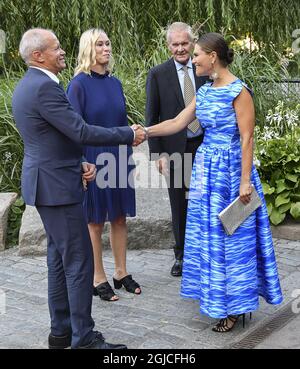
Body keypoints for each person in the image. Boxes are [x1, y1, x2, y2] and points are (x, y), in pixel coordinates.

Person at [12, 28, 145, 349]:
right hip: (58, 188)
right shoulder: (45, 88)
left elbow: (52, 139)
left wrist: (77, 162)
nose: (62, 52)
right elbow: (80, 130)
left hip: (51, 181)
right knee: (78, 263)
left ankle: (61, 334)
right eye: (55, 48)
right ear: (37, 56)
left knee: (58, 261)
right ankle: (83, 339)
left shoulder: (28, 85)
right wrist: (127, 134)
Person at [143, 32, 283, 332]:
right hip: (206, 172)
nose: (192, 59)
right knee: (210, 237)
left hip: (232, 173)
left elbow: (247, 139)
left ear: (213, 57)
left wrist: (246, 182)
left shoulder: (239, 91)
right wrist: (143, 132)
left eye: (196, 55)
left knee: (233, 240)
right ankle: (218, 298)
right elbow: (177, 123)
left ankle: (236, 306)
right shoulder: (204, 92)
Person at [67, 29, 141, 302]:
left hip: (119, 156)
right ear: (89, 49)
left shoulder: (115, 83)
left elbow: (118, 120)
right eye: (100, 44)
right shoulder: (78, 85)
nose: (106, 48)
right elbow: (74, 129)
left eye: (108, 43)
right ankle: (98, 277)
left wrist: (131, 134)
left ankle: (121, 273)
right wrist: (81, 162)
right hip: (93, 159)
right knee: (95, 220)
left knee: (119, 216)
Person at [145, 22, 208, 277]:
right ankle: (181, 256)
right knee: (179, 204)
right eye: (175, 44)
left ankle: (205, 252)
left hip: (205, 146)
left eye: (185, 43)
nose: (181, 48)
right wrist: (157, 155)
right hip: (174, 151)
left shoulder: (205, 69)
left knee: (204, 200)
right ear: (168, 46)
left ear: (192, 43)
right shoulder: (158, 74)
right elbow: (152, 116)